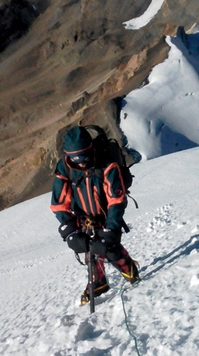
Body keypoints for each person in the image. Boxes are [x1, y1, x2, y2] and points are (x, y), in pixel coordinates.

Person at [51, 125, 139, 304]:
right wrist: (71, 231)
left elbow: (116, 199)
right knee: (90, 250)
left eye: (84, 157)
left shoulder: (106, 163)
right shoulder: (65, 168)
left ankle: (129, 269)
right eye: (76, 159)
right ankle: (98, 282)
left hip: (106, 215)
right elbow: (59, 204)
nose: (81, 163)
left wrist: (112, 228)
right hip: (83, 218)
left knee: (108, 247)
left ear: (91, 150)